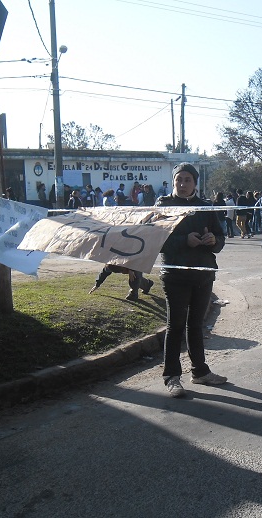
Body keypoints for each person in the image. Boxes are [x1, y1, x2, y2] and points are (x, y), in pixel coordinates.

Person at [155, 162, 227, 397]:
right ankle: (171, 377)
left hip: (203, 274)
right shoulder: (164, 205)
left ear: (195, 183)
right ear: (173, 181)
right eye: (179, 179)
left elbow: (220, 238)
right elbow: (156, 240)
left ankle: (200, 372)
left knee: (196, 325)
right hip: (175, 276)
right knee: (175, 325)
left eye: (187, 180)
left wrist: (213, 240)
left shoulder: (206, 207)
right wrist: (184, 240)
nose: (183, 184)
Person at [89, 263, 153, 301]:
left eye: (123, 270)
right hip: (125, 266)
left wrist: (131, 269)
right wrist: (97, 284)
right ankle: (148, 284)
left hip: (136, 261)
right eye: (121, 271)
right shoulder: (109, 266)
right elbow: (103, 274)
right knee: (134, 276)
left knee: (134, 276)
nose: (123, 273)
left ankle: (133, 294)